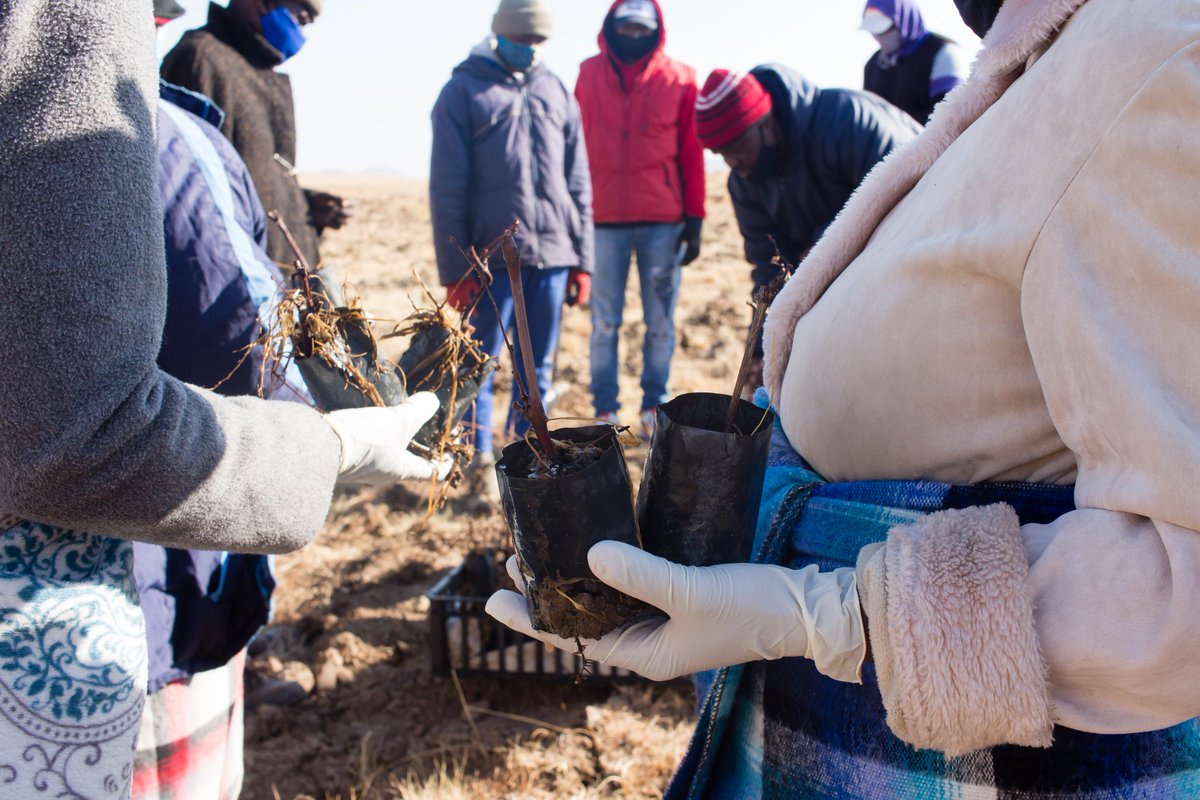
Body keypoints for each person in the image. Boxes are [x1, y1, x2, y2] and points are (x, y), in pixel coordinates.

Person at [490, 0, 1200, 796]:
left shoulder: (1150, 66)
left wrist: (831, 613)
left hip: (971, 743)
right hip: (847, 717)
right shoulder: (1047, 65)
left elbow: (1185, 577)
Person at [0, 1, 445, 796]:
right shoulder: (129, 85)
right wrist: (334, 445)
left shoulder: (195, 101)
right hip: (77, 630)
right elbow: (96, 422)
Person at [430, 0, 593, 464]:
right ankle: (474, 457)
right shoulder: (461, 92)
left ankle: (523, 461)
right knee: (478, 364)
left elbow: (577, 179)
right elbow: (447, 187)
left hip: (554, 256)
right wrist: (456, 268)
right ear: (499, 34)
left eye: (538, 42)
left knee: (537, 369)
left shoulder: (556, 90)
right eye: (523, 40)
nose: (531, 49)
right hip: (489, 261)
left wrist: (583, 260)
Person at [694, 66, 919, 396]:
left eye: (737, 146)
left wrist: (822, 247)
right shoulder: (745, 184)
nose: (733, 162)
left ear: (766, 123)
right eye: (721, 154)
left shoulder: (846, 122)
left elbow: (910, 199)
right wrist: (760, 351)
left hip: (918, 260)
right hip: (846, 289)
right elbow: (769, 269)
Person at [575, 0, 705, 437]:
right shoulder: (587, 74)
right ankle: (605, 409)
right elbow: (572, 146)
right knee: (604, 323)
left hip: (662, 221)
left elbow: (691, 150)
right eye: (625, 27)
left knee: (661, 322)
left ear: (655, 30)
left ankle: (654, 406)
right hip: (602, 218)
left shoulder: (682, 78)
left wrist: (696, 215)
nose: (633, 35)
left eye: (640, 28)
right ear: (611, 26)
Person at [161, 0, 351, 272]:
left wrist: (305, 206)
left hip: (288, 275)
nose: (301, 32)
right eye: (302, 18)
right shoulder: (201, 58)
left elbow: (256, 176)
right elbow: (190, 188)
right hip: (244, 281)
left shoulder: (255, 67)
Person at [860, 0, 970, 124]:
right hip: (892, 142)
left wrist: (898, 129)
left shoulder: (944, 51)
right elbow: (869, 115)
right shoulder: (873, 65)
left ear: (904, 21)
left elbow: (952, 114)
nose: (879, 37)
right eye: (873, 31)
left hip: (939, 140)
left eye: (885, 29)